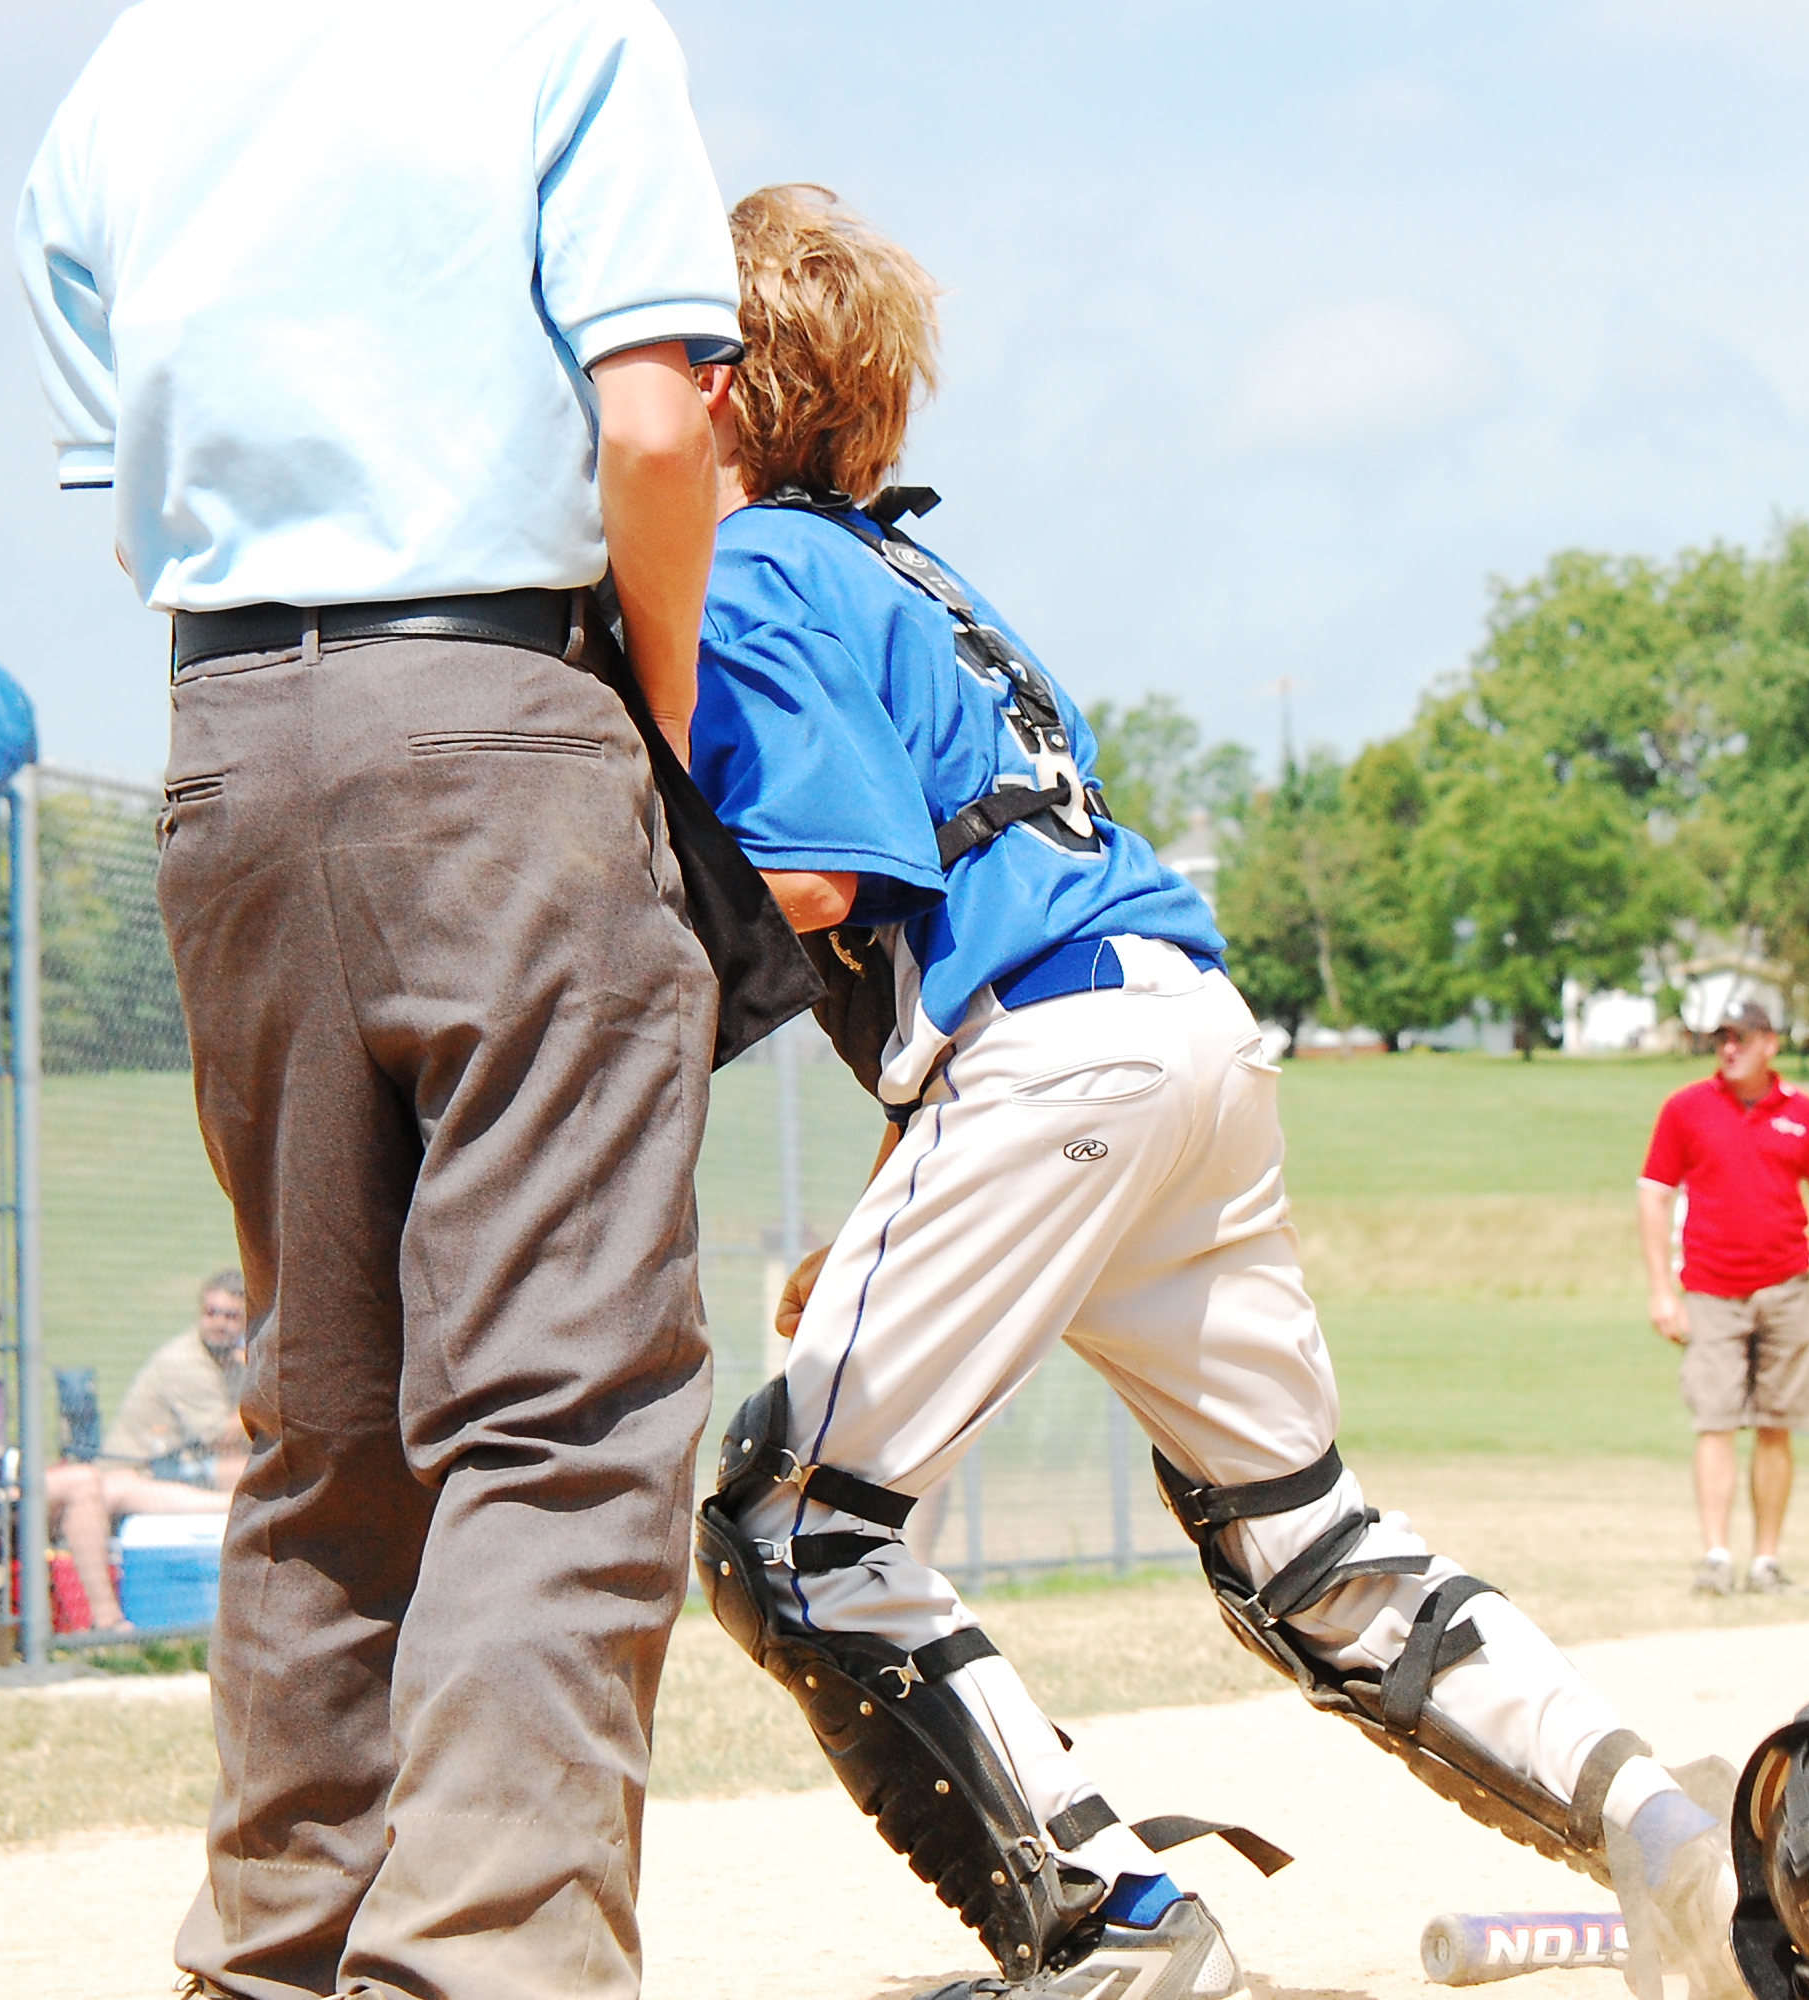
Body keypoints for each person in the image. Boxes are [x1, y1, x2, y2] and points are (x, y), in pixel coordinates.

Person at [680, 185, 1740, 2000]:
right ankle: (1662, 1838)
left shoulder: (761, 566)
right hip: (1176, 1035)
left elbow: (824, 878)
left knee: (788, 1524)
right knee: (1304, 1543)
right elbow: (990, 883)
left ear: (717, 380)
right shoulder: (919, 576)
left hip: (1055, 1065)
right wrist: (894, 1191)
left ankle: (1116, 1930)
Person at [18, 10, 736, 1996]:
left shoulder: (126, 73)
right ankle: (479, 1967)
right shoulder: (568, 26)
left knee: (322, 1415)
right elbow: (654, 425)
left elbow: (126, 491)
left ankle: (279, 1950)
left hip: (227, 732)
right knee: (565, 1403)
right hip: (499, 701)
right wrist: (669, 707)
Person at [1636, 1000, 1809, 1596]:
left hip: (1786, 1288)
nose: (1729, 1049)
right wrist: (1661, 1289)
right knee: (1714, 1420)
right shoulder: (1686, 1109)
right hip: (1711, 1289)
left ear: (1770, 1043)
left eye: (1740, 1038)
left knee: (1777, 1423)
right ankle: (1716, 1557)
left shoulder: (1803, 1114)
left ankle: (1766, 1562)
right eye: (1722, 1039)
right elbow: (1654, 1194)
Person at [0, 1285, 227, 1631]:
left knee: (119, 1483)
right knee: (83, 1481)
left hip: (7, 1493)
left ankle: (229, 1504)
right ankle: (107, 1620)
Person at [105, 1270, 249, 1488]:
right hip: (140, 1473)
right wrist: (266, 1397)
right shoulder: (185, 1361)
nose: (219, 1324)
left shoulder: (231, 1360)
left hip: (180, 1465)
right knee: (256, 1473)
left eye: (231, 1316)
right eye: (211, 1313)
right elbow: (222, 1439)